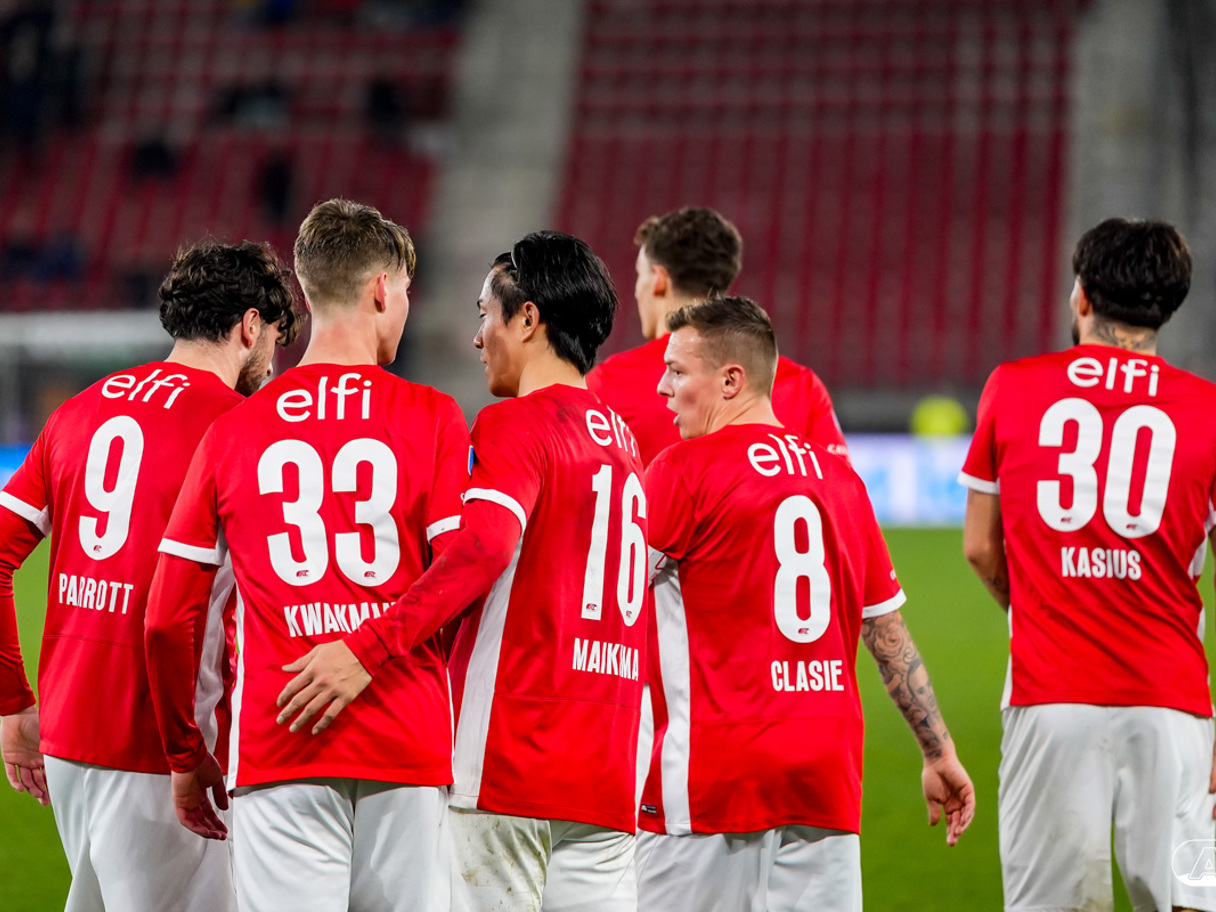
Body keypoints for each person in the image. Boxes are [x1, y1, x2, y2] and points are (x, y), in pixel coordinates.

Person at [276, 230, 647, 912]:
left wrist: (368, 648)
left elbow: (482, 549)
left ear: (528, 318)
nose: (478, 337)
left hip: (513, 760)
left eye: (485, 313)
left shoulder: (517, 425)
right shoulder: (623, 442)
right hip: (608, 767)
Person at [144, 199, 469, 912]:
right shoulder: (433, 416)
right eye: (405, 291)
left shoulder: (235, 430)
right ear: (381, 288)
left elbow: (166, 619)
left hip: (278, 744)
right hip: (407, 740)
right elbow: (460, 577)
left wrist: (185, 755)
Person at [637, 295, 975, 912]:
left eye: (678, 371)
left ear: (731, 380)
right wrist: (938, 750)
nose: (662, 388)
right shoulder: (841, 481)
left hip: (715, 781)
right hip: (825, 779)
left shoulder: (682, 471)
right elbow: (886, 631)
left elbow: (610, 601)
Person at [0, 239, 299, 912]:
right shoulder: (241, 428)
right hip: (167, 745)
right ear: (251, 326)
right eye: (275, 342)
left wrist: (12, 703)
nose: (272, 362)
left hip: (69, 734)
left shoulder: (79, 410)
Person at [960, 218, 1216, 912]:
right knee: (1191, 898)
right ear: (1170, 305)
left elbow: (980, 545)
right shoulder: (1207, 409)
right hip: (1174, 705)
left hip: (1051, 695)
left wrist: (1047, 604)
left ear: (1081, 296)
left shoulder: (1013, 386)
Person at [587, 206, 848, 465]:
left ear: (658, 279)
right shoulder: (802, 387)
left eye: (639, 274)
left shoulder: (604, 385)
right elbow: (838, 484)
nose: (636, 291)